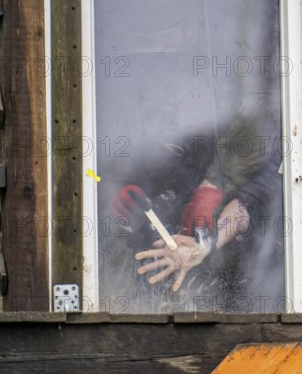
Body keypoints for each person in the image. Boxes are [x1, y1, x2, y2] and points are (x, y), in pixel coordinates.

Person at [110, 92, 283, 293]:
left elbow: (251, 203)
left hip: (249, 284)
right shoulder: (180, 150)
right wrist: (119, 196)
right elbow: (245, 207)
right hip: (170, 272)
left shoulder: (284, 164)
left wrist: (203, 243)